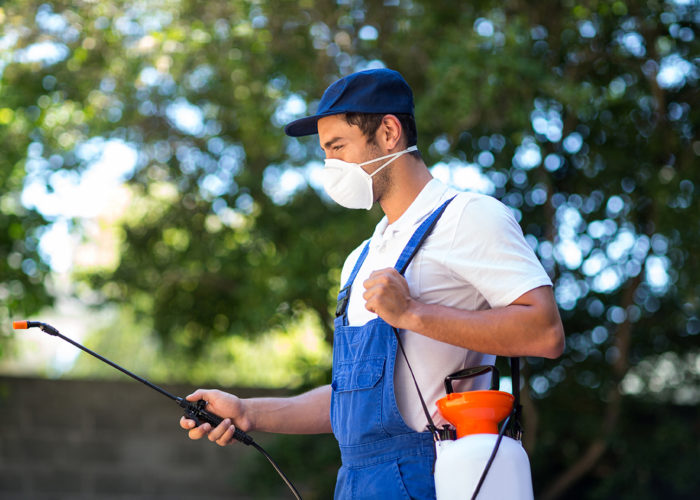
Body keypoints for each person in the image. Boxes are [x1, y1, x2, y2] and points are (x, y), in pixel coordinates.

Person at [180, 68, 565, 499]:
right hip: (358, 483)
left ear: (388, 132)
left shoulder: (468, 216)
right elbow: (351, 400)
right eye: (325, 152)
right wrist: (249, 412)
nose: (330, 166)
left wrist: (413, 313)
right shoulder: (359, 260)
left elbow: (546, 332)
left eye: (337, 147)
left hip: (440, 478)